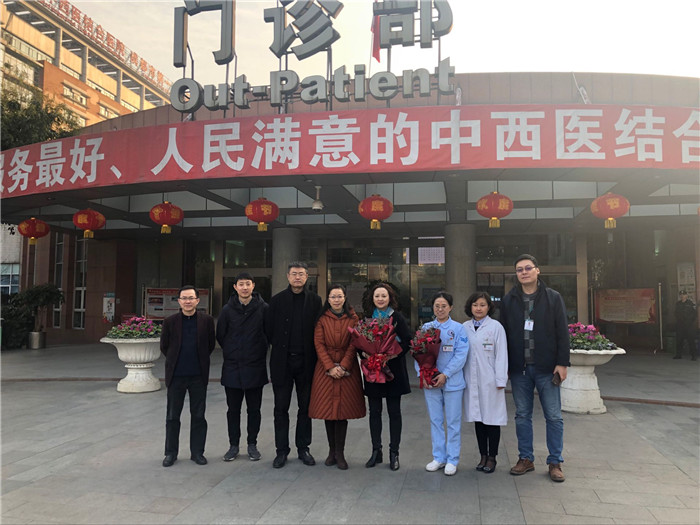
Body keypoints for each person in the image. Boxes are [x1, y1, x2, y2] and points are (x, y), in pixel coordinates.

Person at [500, 254, 570, 482]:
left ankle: (555, 461)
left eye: (528, 268)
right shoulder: (509, 300)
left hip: (547, 368)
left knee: (554, 416)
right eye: (519, 269)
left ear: (537, 270)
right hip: (519, 369)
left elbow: (562, 331)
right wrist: (504, 366)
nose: (524, 272)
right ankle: (526, 458)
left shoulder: (552, 298)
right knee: (522, 415)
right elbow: (503, 335)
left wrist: (562, 363)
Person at [266, 262, 323, 468]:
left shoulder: (315, 300)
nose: (297, 277)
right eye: (294, 274)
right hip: (282, 362)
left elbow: (319, 329)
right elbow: (268, 329)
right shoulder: (277, 300)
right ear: (288, 276)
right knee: (280, 408)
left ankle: (303, 448)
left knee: (305, 407)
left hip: (306, 362)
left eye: (301, 274)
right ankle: (281, 451)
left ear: (307, 277)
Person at [308, 284, 366, 470]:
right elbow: (318, 344)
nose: (336, 300)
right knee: (328, 412)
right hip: (325, 370)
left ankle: (340, 453)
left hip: (347, 369)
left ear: (344, 298)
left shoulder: (353, 318)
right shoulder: (322, 318)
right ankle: (331, 451)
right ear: (328, 299)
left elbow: (354, 343)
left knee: (342, 412)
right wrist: (330, 367)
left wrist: (344, 365)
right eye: (333, 296)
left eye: (339, 296)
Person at [160, 285, 216, 467]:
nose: (188, 301)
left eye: (191, 298)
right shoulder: (170, 321)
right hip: (176, 376)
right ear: (179, 301)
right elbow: (164, 346)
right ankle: (170, 453)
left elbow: (210, 345)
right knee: (172, 416)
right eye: (184, 298)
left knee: (198, 416)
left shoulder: (206, 321)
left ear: (197, 301)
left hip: (198, 376)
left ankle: (197, 452)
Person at [216, 272, 268, 462]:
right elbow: (221, 335)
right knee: (233, 410)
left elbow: (268, 333)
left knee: (254, 410)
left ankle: (252, 444)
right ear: (235, 287)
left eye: (248, 284)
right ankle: (233, 445)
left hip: (255, 366)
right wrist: (233, 350)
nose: (244, 287)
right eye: (241, 284)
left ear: (253, 285)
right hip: (233, 367)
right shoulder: (227, 310)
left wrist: (258, 350)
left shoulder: (263, 308)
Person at [417, 291, 469, 476]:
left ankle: (452, 459)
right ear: (433, 308)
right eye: (437, 306)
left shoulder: (458, 329)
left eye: (444, 306)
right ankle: (438, 457)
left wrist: (445, 374)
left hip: (452, 381)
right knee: (436, 420)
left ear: (451, 308)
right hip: (431, 382)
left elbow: (461, 354)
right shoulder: (426, 328)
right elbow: (418, 353)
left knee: (453, 422)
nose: (440, 309)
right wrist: (423, 375)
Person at [362, 282, 412, 471]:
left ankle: (394, 452)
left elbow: (407, 341)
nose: (380, 299)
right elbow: (359, 341)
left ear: (390, 298)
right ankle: (376, 451)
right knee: (374, 412)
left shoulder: (397, 317)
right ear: (372, 298)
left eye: (384, 296)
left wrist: (392, 355)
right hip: (373, 371)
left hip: (393, 372)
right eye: (377, 296)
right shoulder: (367, 317)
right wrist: (365, 353)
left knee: (394, 412)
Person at [463, 292, 508, 474]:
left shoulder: (496, 327)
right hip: (471, 379)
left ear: (489, 307)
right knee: (478, 419)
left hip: (490, 380)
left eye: (482, 305)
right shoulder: (464, 327)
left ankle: (492, 457)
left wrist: (500, 379)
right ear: (470, 307)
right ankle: (482, 455)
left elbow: (502, 354)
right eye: (475, 305)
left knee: (492, 419)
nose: (478, 308)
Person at [674, 290, 697, 360]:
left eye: (683, 294)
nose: (682, 296)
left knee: (691, 340)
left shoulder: (690, 303)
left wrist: (689, 321)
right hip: (680, 325)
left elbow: (694, 314)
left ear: (686, 295)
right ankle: (678, 355)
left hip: (689, 325)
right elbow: (675, 313)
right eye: (681, 295)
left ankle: (693, 356)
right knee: (679, 340)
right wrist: (679, 320)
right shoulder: (678, 304)